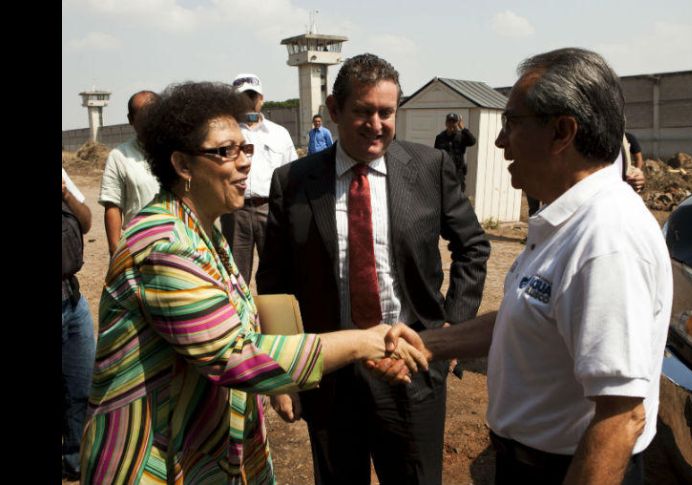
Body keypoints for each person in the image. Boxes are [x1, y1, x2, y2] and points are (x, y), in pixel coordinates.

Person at [79, 81, 426, 485]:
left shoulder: (202, 230)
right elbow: (233, 355)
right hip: (150, 458)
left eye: (245, 148)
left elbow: (241, 318)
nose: (244, 162)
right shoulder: (165, 244)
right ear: (182, 165)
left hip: (196, 448)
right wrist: (361, 340)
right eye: (225, 151)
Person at [374, 47, 673, 485]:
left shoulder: (606, 240)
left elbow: (620, 416)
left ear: (562, 132)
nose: (500, 141)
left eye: (512, 124)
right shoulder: (567, 220)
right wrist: (429, 344)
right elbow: (525, 314)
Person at [257, 53, 491, 485]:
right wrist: (283, 374)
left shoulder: (429, 168)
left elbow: (473, 247)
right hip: (330, 374)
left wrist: (449, 332)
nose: (377, 123)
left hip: (410, 367)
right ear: (334, 110)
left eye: (386, 112)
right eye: (363, 111)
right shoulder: (292, 182)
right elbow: (274, 281)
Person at [220, 73, 298, 285]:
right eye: (242, 96)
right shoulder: (223, 133)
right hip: (235, 211)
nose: (248, 101)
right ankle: (240, 317)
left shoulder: (279, 134)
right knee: (234, 275)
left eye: (252, 95)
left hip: (271, 209)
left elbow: (292, 175)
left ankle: (275, 317)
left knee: (276, 272)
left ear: (261, 98)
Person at [61, 161, 96, 481]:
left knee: (82, 387)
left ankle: (74, 462)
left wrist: (67, 195)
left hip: (71, 298)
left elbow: (85, 222)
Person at [99, 90, 160, 256]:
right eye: (142, 115)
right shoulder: (119, 156)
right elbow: (113, 205)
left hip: (178, 245)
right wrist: (115, 252)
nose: (148, 120)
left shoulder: (179, 152)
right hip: (140, 247)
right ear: (131, 120)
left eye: (153, 112)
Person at [433, 112, 476, 192]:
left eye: (454, 122)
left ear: (457, 123)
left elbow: (472, 141)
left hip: (458, 174)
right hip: (444, 174)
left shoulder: (462, 136)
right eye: (449, 122)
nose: (451, 124)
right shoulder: (440, 138)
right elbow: (436, 155)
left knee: (458, 198)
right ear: (446, 123)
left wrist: (463, 129)